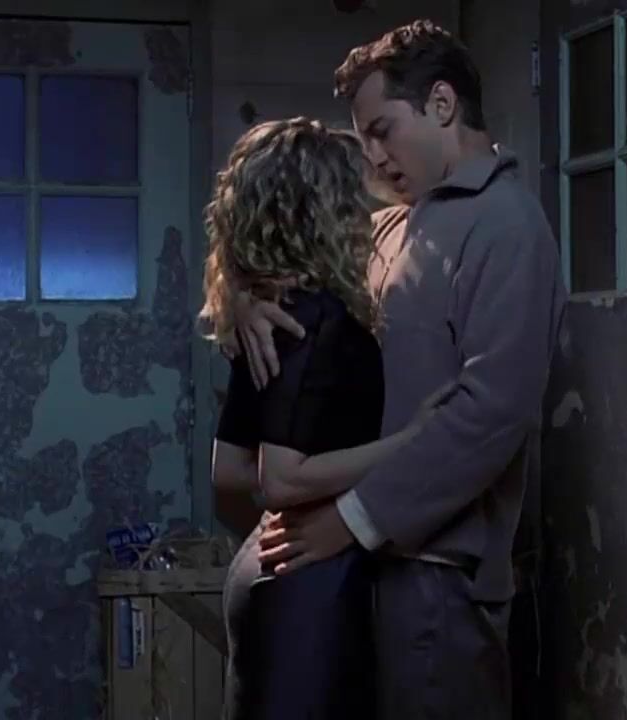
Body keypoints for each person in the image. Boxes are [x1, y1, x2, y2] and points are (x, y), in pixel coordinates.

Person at [226, 20, 567, 720]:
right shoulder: (390, 228)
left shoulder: (508, 226)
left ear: (442, 104)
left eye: (383, 131)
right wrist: (244, 299)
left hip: (436, 577)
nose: (375, 158)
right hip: (357, 571)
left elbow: (491, 412)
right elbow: (292, 269)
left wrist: (353, 519)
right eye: (363, 140)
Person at [203, 116, 450, 720]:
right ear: (324, 207)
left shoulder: (271, 310)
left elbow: (229, 475)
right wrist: (413, 439)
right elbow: (281, 480)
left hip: (265, 571)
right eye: (349, 190)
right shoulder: (316, 319)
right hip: (310, 584)